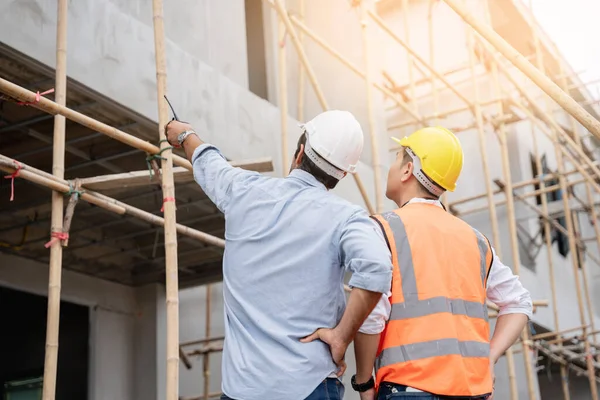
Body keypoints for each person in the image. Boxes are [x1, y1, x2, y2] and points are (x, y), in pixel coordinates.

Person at [165, 110, 393, 400]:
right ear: (343, 174)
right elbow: (376, 268)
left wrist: (184, 134)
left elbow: (209, 162)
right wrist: (341, 337)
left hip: (242, 389)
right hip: (309, 386)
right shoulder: (347, 218)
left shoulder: (242, 190)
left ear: (300, 153)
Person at [349, 127, 533, 400]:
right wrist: (489, 358)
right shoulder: (476, 241)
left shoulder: (384, 228)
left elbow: (372, 314)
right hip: (473, 390)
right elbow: (519, 302)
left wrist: (364, 383)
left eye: (396, 157)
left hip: (409, 387)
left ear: (407, 169)